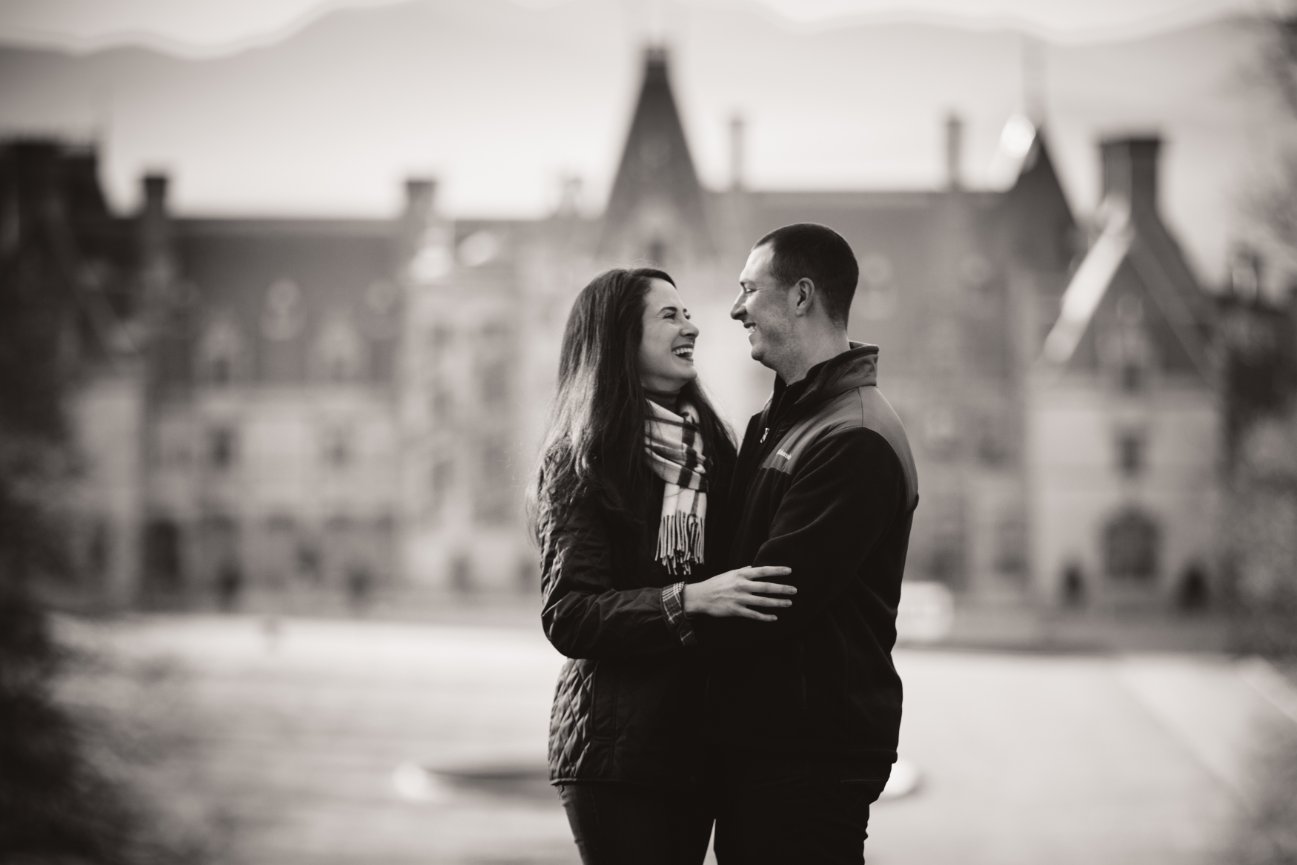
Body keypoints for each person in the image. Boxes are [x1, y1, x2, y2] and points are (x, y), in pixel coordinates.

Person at [532, 267, 798, 865]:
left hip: (697, 746)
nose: (694, 327)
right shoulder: (584, 458)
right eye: (671, 316)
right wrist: (688, 600)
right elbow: (569, 614)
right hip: (616, 755)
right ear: (621, 337)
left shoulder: (718, 450)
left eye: (688, 314)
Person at [700, 224, 919, 865]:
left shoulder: (855, 436)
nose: (736, 308)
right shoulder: (775, 423)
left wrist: (663, 611)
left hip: (810, 753)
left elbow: (769, 595)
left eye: (749, 290)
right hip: (768, 746)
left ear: (801, 296)